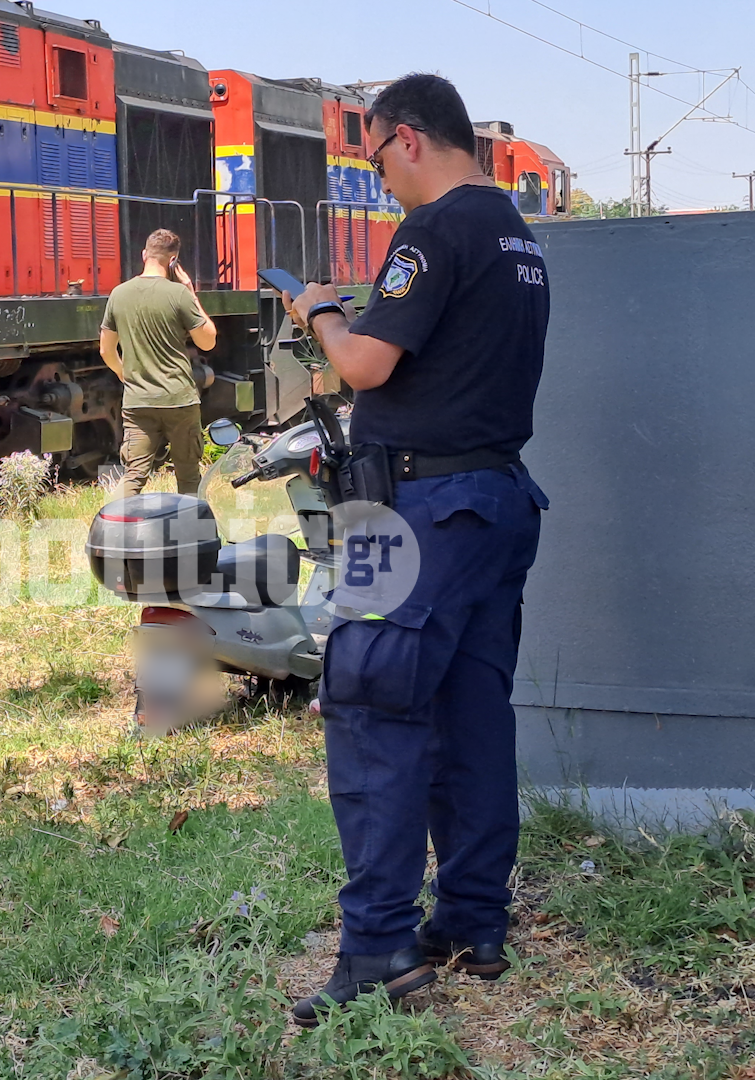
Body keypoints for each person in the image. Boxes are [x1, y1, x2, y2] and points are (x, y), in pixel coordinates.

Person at [283, 74, 551, 1026]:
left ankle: (378, 947)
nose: (377, 175)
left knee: (367, 703)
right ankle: (473, 921)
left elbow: (363, 365)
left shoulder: (433, 231)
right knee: (473, 713)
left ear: (406, 138)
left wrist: (319, 310)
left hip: (414, 511)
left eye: (372, 155)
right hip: (497, 499)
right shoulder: (516, 234)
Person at [99, 229, 218, 495]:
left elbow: (106, 350)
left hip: (138, 401)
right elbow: (208, 341)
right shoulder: (179, 294)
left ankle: (114, 532)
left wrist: (124, 375)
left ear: (144, 254)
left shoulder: (119, 293)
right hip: (179, 400)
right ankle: (193, 533)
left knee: (133, 476)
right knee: (188, 478)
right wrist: (191, 292)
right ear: (173, 261)